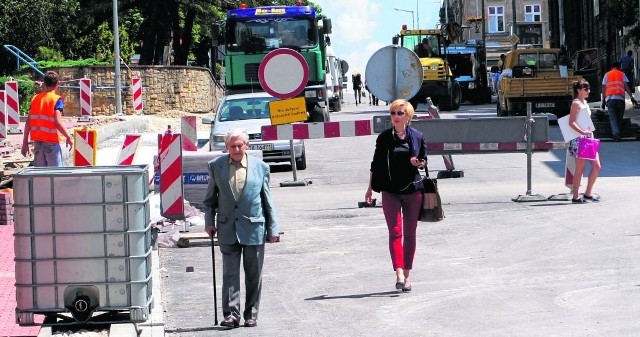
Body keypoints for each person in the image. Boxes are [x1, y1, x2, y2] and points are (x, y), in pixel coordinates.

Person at [203, 129, 280, 329]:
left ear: (247, 146)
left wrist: (273, 229)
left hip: (253, 227)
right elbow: (210, 201)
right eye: (233, 146)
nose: (237, 149)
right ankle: (231, 315)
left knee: (254, 275)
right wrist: (209, 222)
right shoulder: (216, 166)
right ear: (226, 147)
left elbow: (267, 201)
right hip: (227, 227)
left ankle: (251, 314)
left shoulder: (261, 167)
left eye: (240, 145)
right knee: (230, 274)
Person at [365, 99, 427, 293]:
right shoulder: (384, 138)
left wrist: (419, 163)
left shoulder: (417, 136)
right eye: (393, 113)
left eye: (400, 113)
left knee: (410, 234)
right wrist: (369, 189)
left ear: (408, 116)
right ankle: (398, 273)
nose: (396, 117)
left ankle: (407, 274)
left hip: (412, 191)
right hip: (390, 191)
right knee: (395, 232)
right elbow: (375, 165)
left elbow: (424, 159)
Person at [20, 71, 73, 166]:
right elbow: (58, 122)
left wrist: (25, 144)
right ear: (57, 84)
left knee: (41, 177)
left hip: (37, 143)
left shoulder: (35, 98)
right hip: (51, 144)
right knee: (55, 176)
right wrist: (68, 137)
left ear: (44, 83)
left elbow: (28, 123)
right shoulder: (57, 99)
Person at [567, 80, 601, 203]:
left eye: (588, 88)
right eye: (585, 89)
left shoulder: (585, 103)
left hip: (589, 138)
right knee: (580, 169)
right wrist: (582, 132)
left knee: (597, 166)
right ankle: (575, 196)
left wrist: (588, 133)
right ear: (578, 90)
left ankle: (588, 193)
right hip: (580, 139)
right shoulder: (576, 103)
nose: (588, 91)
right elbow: (571, 122)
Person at [601, 62, 637, 141]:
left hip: (610, 99)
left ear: (611, 67)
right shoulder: (622, 74)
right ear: (619, 67)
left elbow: (603, 89)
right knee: (619, 118)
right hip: (620, 99)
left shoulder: (607, 75)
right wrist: (632, 97)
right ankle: (618, 133)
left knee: (613, 118)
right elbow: (626, 87)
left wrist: (603, 102)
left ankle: (616, 134)